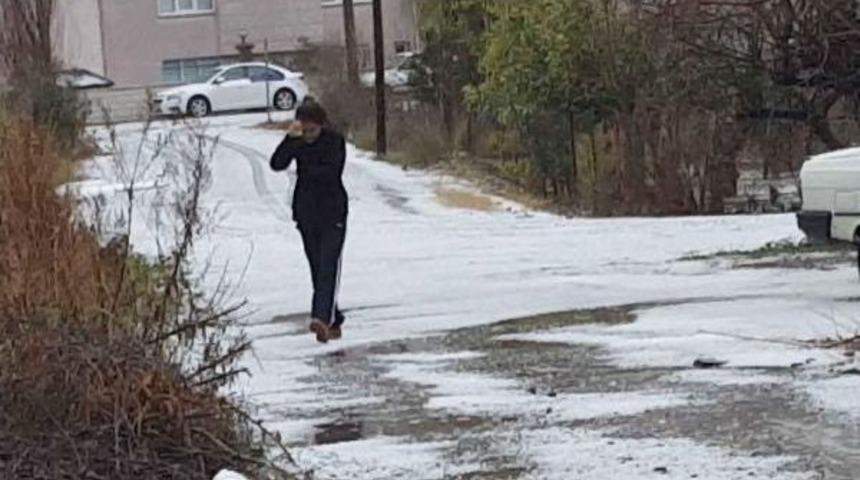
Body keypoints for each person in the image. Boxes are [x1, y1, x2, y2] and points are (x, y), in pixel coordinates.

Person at [270, 99, 348, 343]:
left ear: (322, 126)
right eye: (304, 130)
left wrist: (306, 166)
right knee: (316, 266)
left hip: (333, 212)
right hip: (306, 213)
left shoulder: (334, 141)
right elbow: (276, 164)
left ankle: (320, 318)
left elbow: (331, 172)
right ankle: (334, 318)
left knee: (328, 265)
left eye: (312, 130)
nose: (309, 135)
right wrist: (290, 140)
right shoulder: (297, 142)